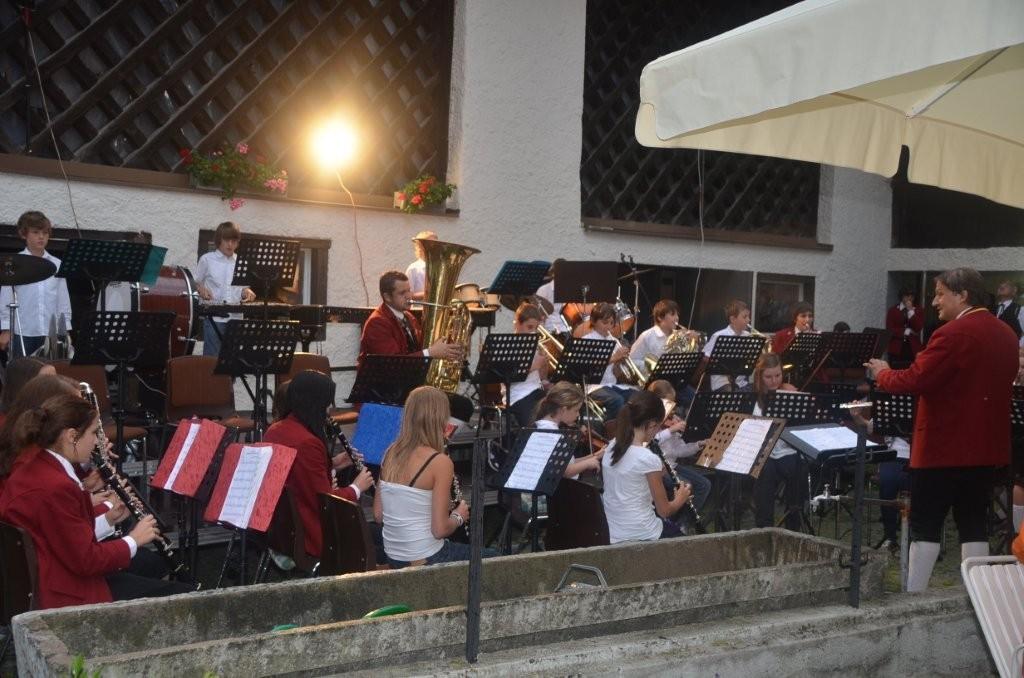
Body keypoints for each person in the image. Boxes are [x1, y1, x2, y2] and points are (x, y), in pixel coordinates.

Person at [867, 267, 1018, 592]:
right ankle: (976, 594)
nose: (934, 302)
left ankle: (914, 596)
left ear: (962, 295)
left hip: (942, 448)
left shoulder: (952, 334)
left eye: (939, 294)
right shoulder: (1007, 334)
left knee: (925, 525)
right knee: (973, 524)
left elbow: (915, 379)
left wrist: (882, 373)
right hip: (985, 449)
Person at [0, 393, 189, 608]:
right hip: (69, 593)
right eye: (92, 433)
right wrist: (134, 540)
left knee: (156, 580)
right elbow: (87, 561)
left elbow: (64, 535)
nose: (97, 441)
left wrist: (109, 519)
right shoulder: (56, 487)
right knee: (182, 597)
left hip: (58, 576)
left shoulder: (39, 467)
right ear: (72, 436)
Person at [373, 386, 494, 567]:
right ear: (440, 418)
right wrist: (458, 516)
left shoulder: (390, 452)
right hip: (426, 558)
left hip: (395, 557)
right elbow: (439, 530)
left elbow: (378, 515)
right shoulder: (440, 462)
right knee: (499, 559)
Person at [263, 370, 373, 559]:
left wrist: (333, 464)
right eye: (326, 403)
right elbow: (324, 502)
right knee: (374, 539)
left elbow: (299, 477)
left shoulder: (275, 430)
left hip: (281, 527)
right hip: (310, 534)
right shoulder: (308, 443)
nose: (329, 409)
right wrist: (356, 488)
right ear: (315, 403)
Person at [357, 270, 471, 421]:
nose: (409, 296)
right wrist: (430, 352)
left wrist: (449, 348)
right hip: (385, 392)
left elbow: (421, 350)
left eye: (409, 290)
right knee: (454, 407)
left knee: (463, 406)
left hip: (407, 389)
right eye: (402, 293)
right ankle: (429, 435)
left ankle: (436, 436)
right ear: (387, 297)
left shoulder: (409, 318)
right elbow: (394, 365)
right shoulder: (377, 322)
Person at [601, 390, 691, 543]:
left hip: (612, 531)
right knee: (688, 546)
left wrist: (656, 473)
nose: (657, 432)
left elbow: (629, 477)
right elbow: (665, 511)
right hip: (642, 533)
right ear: (651, 425)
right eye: (658, 427)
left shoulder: (611, 446)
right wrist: (680, 498)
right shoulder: (647, 458)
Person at [0, 211, 73, 358]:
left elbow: (63, 301)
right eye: (36, 232)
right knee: (21, 370)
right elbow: (6, 298)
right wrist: (7, 329)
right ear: (24, 234)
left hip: (50, 332)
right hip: (22, 331)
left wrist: (65, 329)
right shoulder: (13, 263)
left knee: (50, 370)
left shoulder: (57, 264)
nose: (41, 237)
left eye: (45, 233)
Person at [750, 353, 806, 531]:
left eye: (778, 375)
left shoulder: (788, 391)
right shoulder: (753, 398)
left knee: (799, 468)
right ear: (759, 377)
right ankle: (764, 528)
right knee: (765, 471)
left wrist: (796, 398)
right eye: (768, 377)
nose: (774, 381)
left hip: (786, 450)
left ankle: (793, 527)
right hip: (761, 452)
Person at [645, 379, 711, 520]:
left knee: (704, 485)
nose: (671, 408)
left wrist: (698, 445)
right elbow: (649, 442)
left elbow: (678, 450)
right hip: (657, 468)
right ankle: (673, 521)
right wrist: (670, 430)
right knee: (687, 486)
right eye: (668, 403)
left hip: (672, 464)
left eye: (673, 403)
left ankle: (685, 523)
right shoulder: (648, 420)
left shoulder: (672, 419)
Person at [195, 221, 256, 357]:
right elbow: (196, 283)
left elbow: (241, 289)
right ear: (219, 240)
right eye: (226, 240)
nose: (230, 244)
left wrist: (246, 292)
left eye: (234, 241)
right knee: (212, 360)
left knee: (232, 361)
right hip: (214, 318)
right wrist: (201, 289)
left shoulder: (242, 262)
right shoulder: (207, 259)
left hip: (236, 319)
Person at [532, 382, 602, 478]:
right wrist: (587, 464)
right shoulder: (552, 434)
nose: (578, 415)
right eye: (576, 410)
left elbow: (569, 463)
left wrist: (596, 455)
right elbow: (565, 471)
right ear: (563, 410)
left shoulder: (545, 427)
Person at [581, 302, 635, 420]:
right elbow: (590, 367)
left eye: (611, 323)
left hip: (612, 384)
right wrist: (615, 357)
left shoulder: (614, 340)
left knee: (637, 397)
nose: (608, 326)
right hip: (594, 386)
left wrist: (620, 361)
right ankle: (610, 427)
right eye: (605, 323)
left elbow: (616, 373)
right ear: (593, 321)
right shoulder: (587, 340)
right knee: (617, 400)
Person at [506, 302, 549, 427]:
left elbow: (542, 377)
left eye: (536, 328)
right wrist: (535, 366)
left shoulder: (534, 345)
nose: (533, 332)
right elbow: (509, 376)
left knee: (559, 409)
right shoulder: (508, 345)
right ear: (517, 324)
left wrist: (544, 363)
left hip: (536, 391)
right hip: (518, 395)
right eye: (529, 327)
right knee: (535, 427)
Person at [702, 300, 753, 391]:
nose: (748, 320)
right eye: (745, 317)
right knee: (730, 392)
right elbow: (705, 357)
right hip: (722, 383)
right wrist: (722, 366)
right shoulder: (719, 335)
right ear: (733, 319)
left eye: (748, 317)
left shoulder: (747, 336)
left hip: (741, 383)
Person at [0, 357, 56, 422]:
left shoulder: (48, 412)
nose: (55, 386)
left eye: (56, 379)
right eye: (45, 382)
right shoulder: (5, 423)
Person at [886, 288, 924, 367]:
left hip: (912, 348)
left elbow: (918, 327)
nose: (909, 298)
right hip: (896, 348)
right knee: (895, 370)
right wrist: (906, 331)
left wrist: (910, 311)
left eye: (912, 296)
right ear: (902, 296)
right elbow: (889, 329)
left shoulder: (918, 310)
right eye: (907, 295)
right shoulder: (893, 310)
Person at [405, 230, 437, 301]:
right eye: (431, 244)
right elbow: (407, 295)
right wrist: (431, 294)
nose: (434, 248)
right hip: (419, 307)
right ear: (420, 247)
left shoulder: (440, 268)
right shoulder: (413, 269)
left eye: (436, 245)